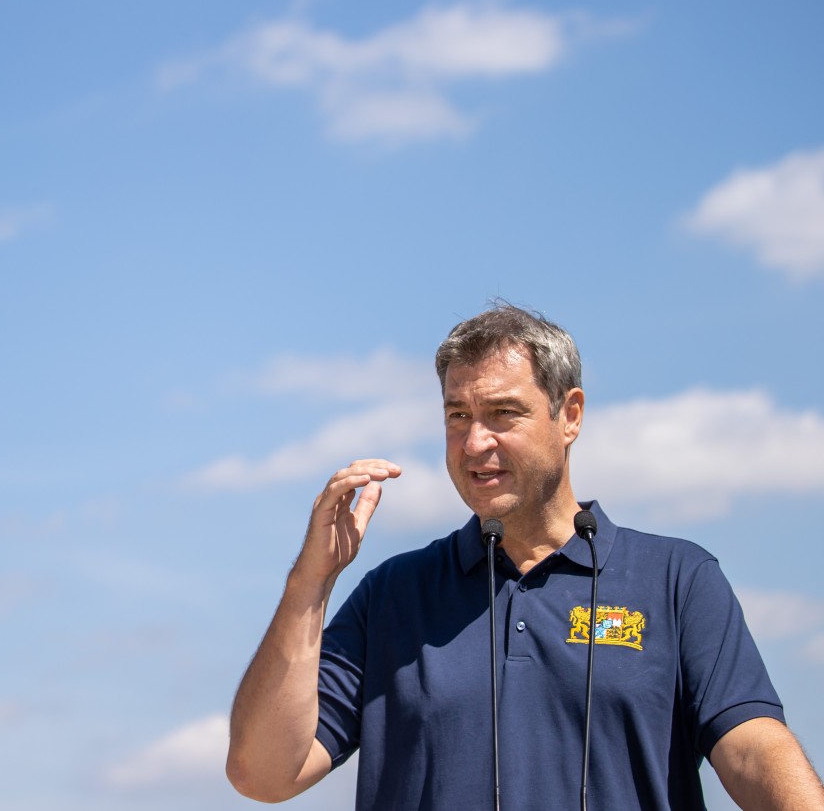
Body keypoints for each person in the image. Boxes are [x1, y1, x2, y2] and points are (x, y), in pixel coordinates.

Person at [225, 303, 824, 810]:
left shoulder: (678, 579)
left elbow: (749, 745)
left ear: (570, 415)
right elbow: (264, 773)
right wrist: (310, 584)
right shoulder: (392, 595)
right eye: (457, 416)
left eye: (502, 413)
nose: (475, 442)